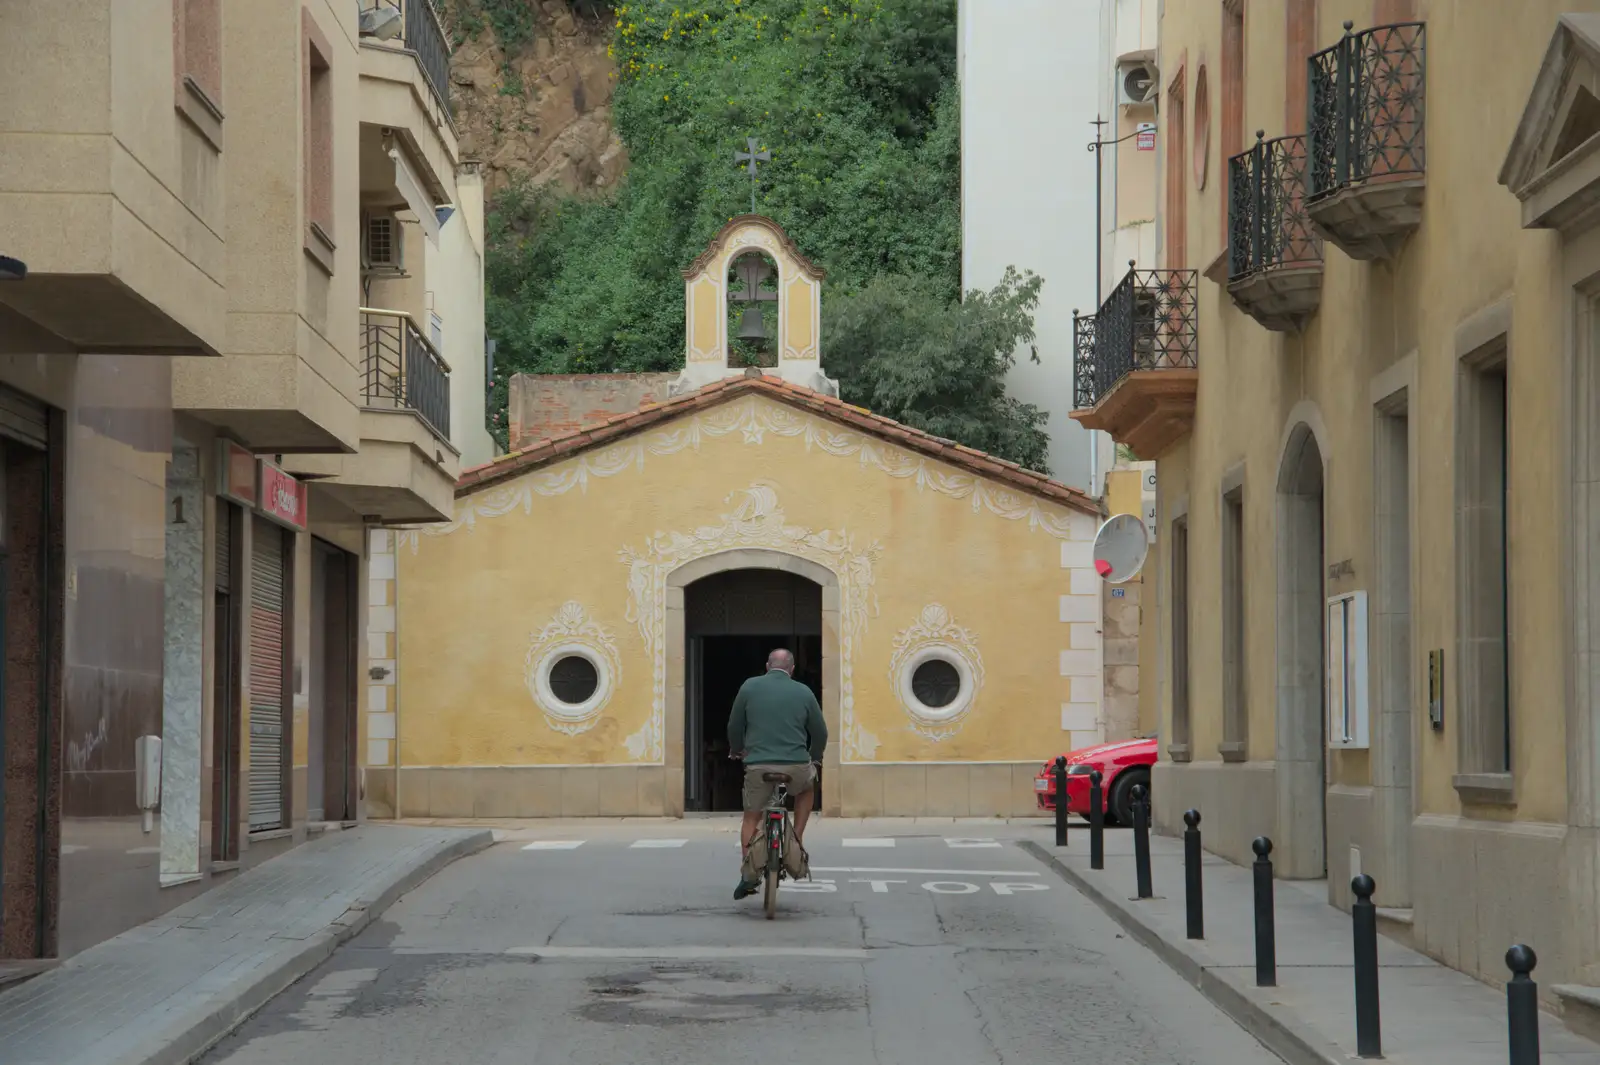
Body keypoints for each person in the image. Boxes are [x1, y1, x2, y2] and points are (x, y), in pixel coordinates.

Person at [727, 647, 827, 900]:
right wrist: (814, 757)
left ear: (767, 666)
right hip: (796, 765)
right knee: (806, 790)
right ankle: (797, 839)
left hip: (759, 765)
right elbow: (820, 732)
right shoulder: (804, 692)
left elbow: (735, 725)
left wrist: (737, 750)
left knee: (751, 817)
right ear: (792, 669)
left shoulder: (749, 687)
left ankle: (748, 874)